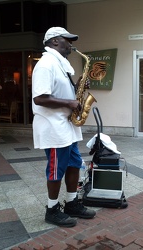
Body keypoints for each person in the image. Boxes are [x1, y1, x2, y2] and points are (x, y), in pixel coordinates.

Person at [32, 27, 96, 227]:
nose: (71, 44)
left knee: (74, 164)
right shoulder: (45, 64)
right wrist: (69, 103)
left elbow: (59, 92)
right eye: (67, 40)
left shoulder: (61, 64)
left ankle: (71, 203)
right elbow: (40, 97)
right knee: (55, 169)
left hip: (66, 127)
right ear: (54, 41)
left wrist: (77, 88)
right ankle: (52, 210)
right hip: (53, 128)